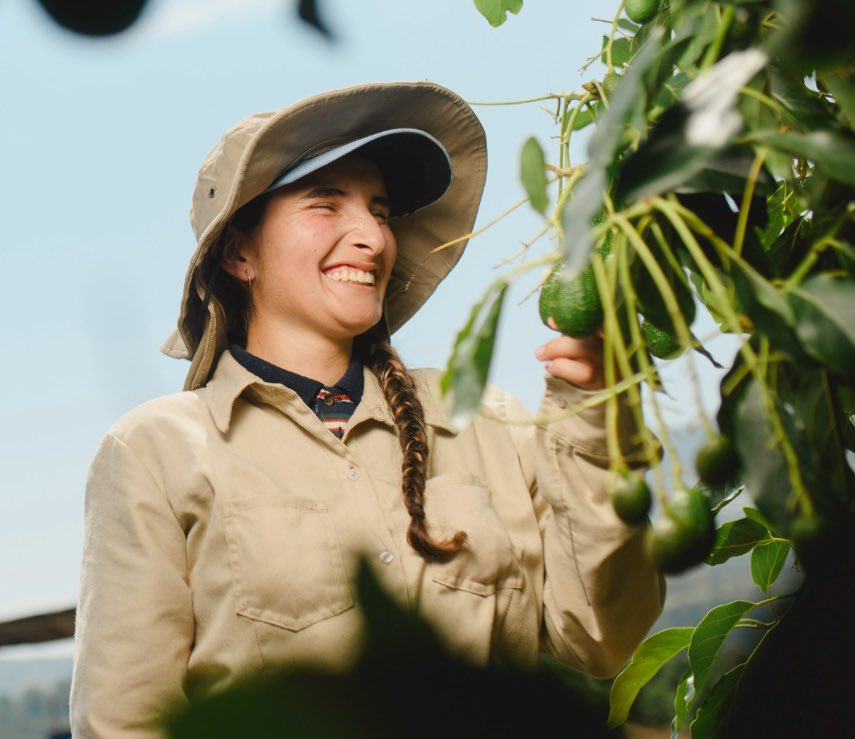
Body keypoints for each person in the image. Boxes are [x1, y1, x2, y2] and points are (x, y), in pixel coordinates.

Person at [70, 81, 664, 738]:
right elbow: (123, 721)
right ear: (239, 252)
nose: (373, 237)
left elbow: (600, 637)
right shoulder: (157, 449)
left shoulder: (487, 418)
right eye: (325, 204)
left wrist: (590, 413)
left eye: (380, 211)